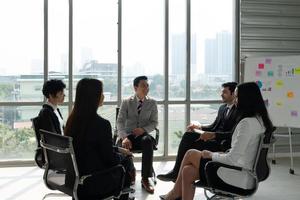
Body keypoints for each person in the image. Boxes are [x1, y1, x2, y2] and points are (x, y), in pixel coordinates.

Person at [160, 82, 274, 200]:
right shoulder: (260, 121)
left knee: (190, 153)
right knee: (187, 171)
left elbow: (232, 158)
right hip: (244, 173)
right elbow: (242, 153)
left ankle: (174, 193)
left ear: (246, 99)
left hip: (237, 175)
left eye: (237, 96)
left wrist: (211, 154)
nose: (235, 100)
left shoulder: (247, 124)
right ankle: (175, 193)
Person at [64, 78, 134, 200]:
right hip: (93, 181)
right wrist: (123, 156)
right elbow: (110, 159)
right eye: (101, 93)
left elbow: (91, 145)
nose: (103, 96)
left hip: (74, 180)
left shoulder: (72, 121)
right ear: (94, 97)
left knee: (123, 157)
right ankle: (123, 196)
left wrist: (119, 150)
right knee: (127, 161)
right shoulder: (102, 124)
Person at [158, 82, 238, 182]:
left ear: (233, 94)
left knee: (189, 141)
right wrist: (199, 127)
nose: (221, 95)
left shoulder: (238, 111)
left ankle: (177, 173)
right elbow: (213, 126)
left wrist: (213, 135)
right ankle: (178, 173)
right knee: (189, 134)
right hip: (213, 139)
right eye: (222, 92)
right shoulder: (222, 108)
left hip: (222, 144)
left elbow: (233, 133)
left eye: (225, 92)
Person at [117, 76, 158, 194]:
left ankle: (145, 178)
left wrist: (143, 129)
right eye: (143, 85)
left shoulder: (152, 103)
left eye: (147, 85)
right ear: (136, 88)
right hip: (128, 135)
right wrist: (124, 137)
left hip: (143, 135)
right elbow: (119, 122)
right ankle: (130, 171)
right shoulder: (126, 102)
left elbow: (154, 122)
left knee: (147, 141)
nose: (147, 88)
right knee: (122, 145)